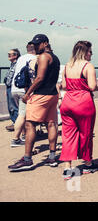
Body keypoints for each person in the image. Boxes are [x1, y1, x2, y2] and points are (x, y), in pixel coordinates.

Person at [8, 34, 60, 171]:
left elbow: (39, 78)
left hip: (41, 95)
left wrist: (27, 93)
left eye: (37, 44)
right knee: (51, 123)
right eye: (33, 45)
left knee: (29, 124)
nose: (35, 47)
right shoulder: (55, 58)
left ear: (45, 43)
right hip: (52, 95)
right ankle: (52, 156)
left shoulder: (43, 57)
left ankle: (27, 159)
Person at [59, 41, 98, 180]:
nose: (91, 54)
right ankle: (88, 163)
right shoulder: (88, 66)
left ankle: (67, 168)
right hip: (83, 102)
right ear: (85, 52)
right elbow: (92, 86)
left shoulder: (67, 66)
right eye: (90, 52)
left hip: (68, 102)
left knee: (68, 135)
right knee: (86, 134)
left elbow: (64, 85)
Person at [10, 43, 35, 147]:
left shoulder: (21, 58)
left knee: (21, 113)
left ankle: (24, 135)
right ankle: (15, 139)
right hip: (24, 90)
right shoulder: (34, 58)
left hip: (14, 88)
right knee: (22, 114)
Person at [4, 48, 20, 131]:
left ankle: (16, 123)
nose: (9, 56)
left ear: (15, 55)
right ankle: (15, 122)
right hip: (9, 87)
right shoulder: (12, 64)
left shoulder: (17, 64)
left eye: (10, 54)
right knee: (11, 106)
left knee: (13, 106)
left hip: (13, 87)